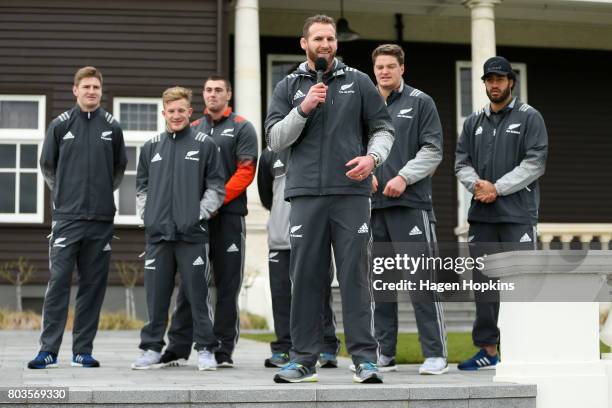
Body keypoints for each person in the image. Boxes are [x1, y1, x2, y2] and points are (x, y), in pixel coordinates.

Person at [265, 14, 394, 384]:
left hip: (351, 194)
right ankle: (304, 360)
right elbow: (274, 140)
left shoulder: (359, 81)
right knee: (305, 278)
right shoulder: (287, 87)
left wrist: (373, 159)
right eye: (318, 38)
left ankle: (365, 360)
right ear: (304, 43)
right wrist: (303, 108)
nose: (325, 44)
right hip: (305, 194)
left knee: (354, 277)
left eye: (331, 39)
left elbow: (383, 129)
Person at [157, 76, 258, 369]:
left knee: (227, 285)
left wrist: (218, 200)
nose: (213, 95)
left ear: (229, 94)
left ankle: (224, 349)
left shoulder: (242, 127)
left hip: (228, 218)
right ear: (203, 95)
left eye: (219, 90)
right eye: (208, 90)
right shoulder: (194, 128)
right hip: (197, 219)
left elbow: (246, 171)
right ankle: (177, 348)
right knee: (190, 284)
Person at [30, 66, 127, 369]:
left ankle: (82, 351)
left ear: (101, 91)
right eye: (85, 87)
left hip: (100, 221)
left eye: (96, 87)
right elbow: (48, 166)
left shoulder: (112, 127)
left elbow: (117, 170)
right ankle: (48, 350)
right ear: (75, 90)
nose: (91, 92)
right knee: (58, 282)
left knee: (92, 286)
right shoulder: (60, 125)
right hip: (67, 219)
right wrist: (65, 196)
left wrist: (97, 196)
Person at [455, 56, 548, 370]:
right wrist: (478, 185)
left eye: (500, 79)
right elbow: (461, 163)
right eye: (489, 80)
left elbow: (534, 163)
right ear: (484, 84)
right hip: (482, 216)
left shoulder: (529, 117)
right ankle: (488, 351)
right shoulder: (473, 122)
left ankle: (526, 348)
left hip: (517, 215)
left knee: (522, 285)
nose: (494, 85)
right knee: (485, 287)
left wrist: (497, 187)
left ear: (511, 82)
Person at [131, 86, 225, 371]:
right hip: (158, 236)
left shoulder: (205, 145)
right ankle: (151, 348)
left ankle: (206, 349)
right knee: (156, 296)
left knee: (198, 295)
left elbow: (216, 187)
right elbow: (141, 188)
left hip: (191, 235)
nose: (176, 115)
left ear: (189, 112)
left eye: (180, 110)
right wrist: (148, 217)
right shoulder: (151, 148)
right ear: (163, 113)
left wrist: (197, 214)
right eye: (170, 111)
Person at [369, 44, 448, 375]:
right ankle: (384, 353)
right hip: (373, 207)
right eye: (380, 67)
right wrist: (366, 173)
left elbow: (433, 149)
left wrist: (403, 176)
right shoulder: (366, 104)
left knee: (421, 282)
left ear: (402, 68)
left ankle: (435, 354)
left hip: (411, 205)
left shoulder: (420, 102)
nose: (385, 71)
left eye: (391, 66)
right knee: (381, 286)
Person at [257, 147, 341, 369]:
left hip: (314, 236)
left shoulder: (317, 143)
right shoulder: (269, 154)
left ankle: (327, 346)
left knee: (320, 292)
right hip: (280, 238)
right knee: (281, 296)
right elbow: (267, 195)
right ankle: (283, 348)